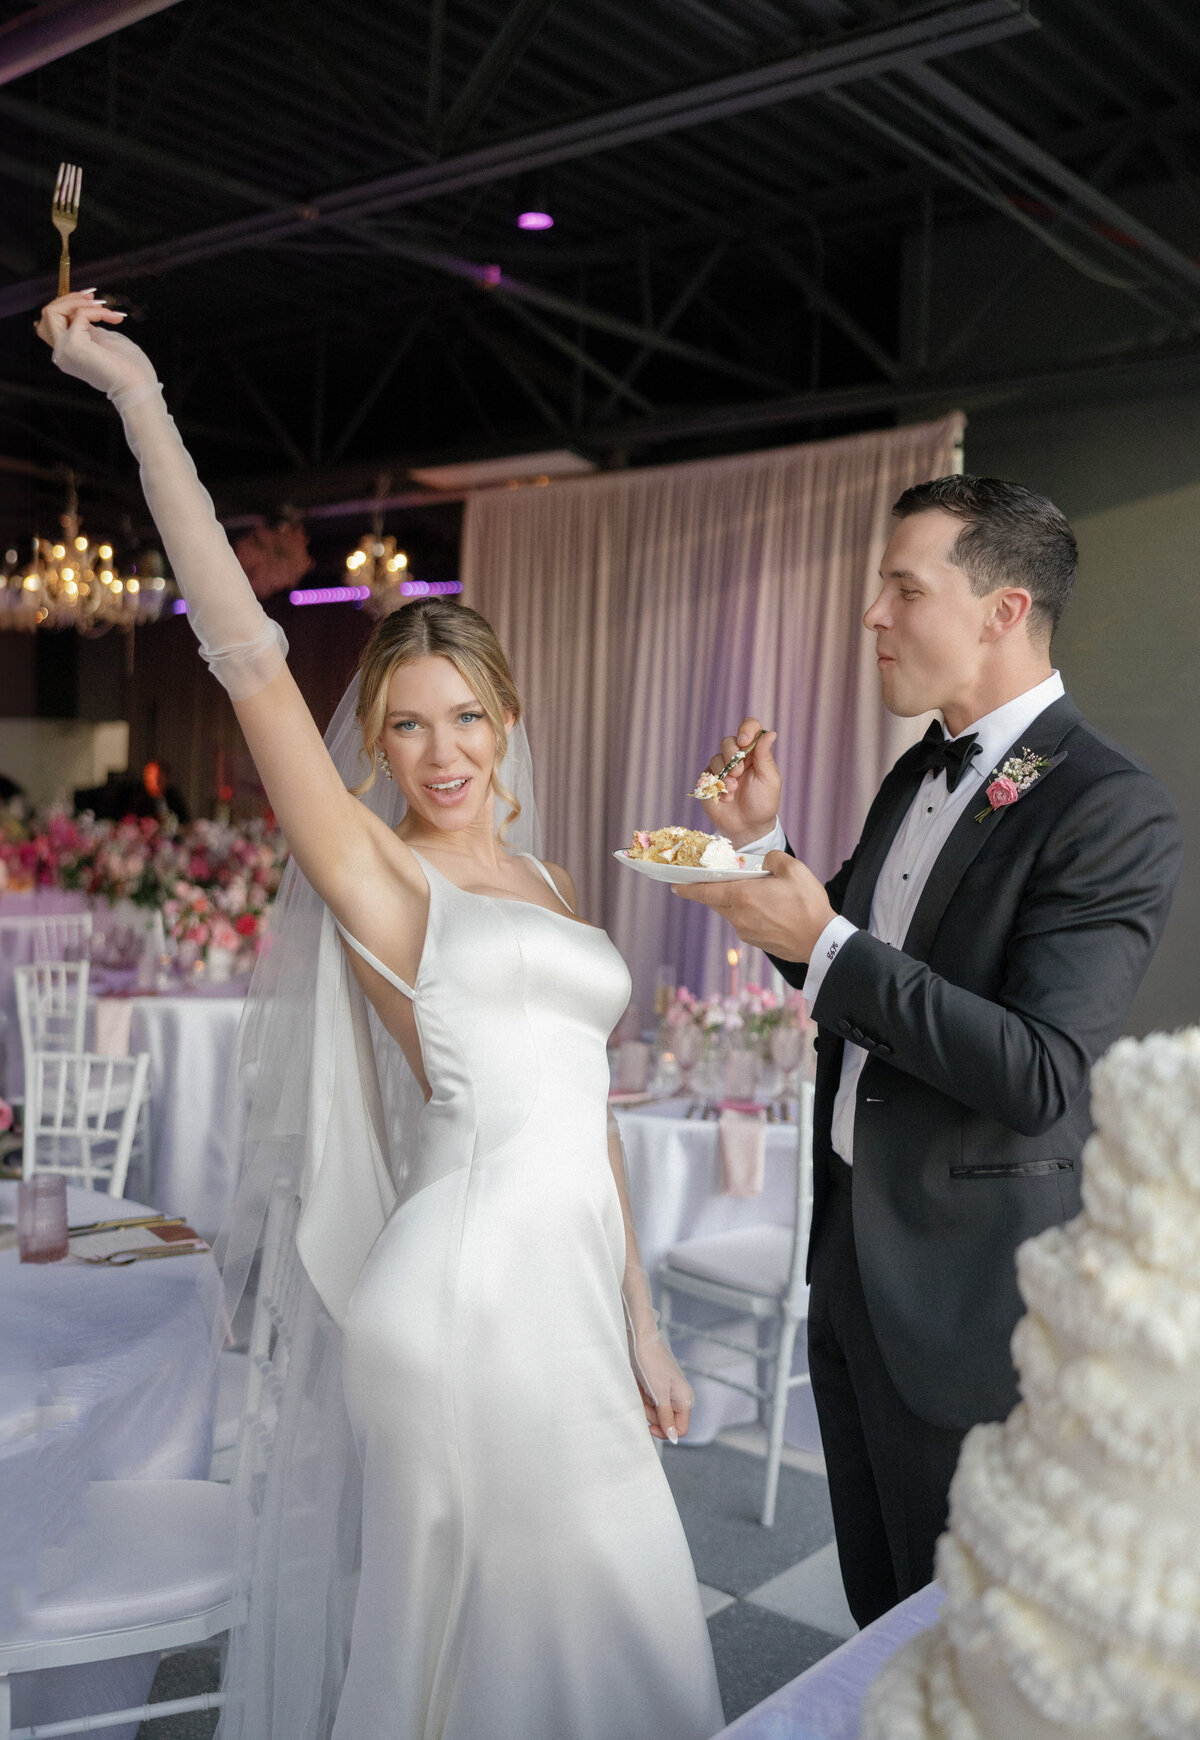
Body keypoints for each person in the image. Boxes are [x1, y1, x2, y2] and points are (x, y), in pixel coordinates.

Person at [38, 290, 724, 1740]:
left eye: (464, 716)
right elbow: (246, 652)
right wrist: (142, 401)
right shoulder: (378, 876)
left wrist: (644, 1323)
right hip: (458, 1292)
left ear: (507, 718)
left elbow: (583, 1104)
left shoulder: (539, 875)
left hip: (570, 1303)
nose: (438, 751)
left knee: (602, 1615)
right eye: (405, 722)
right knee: (491, 1629)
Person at [677, 476, 1183, 1628]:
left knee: (960, 1630)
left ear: (1004, 610)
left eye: (904, 589)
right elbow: (845, 976)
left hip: (965, 1295)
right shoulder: (919, 766)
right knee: (875, 1616)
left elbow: (1042, 1073)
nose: (875, 616)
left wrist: (830, 941)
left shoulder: (1110, 806)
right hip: (853, 1252)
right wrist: (763, 845)